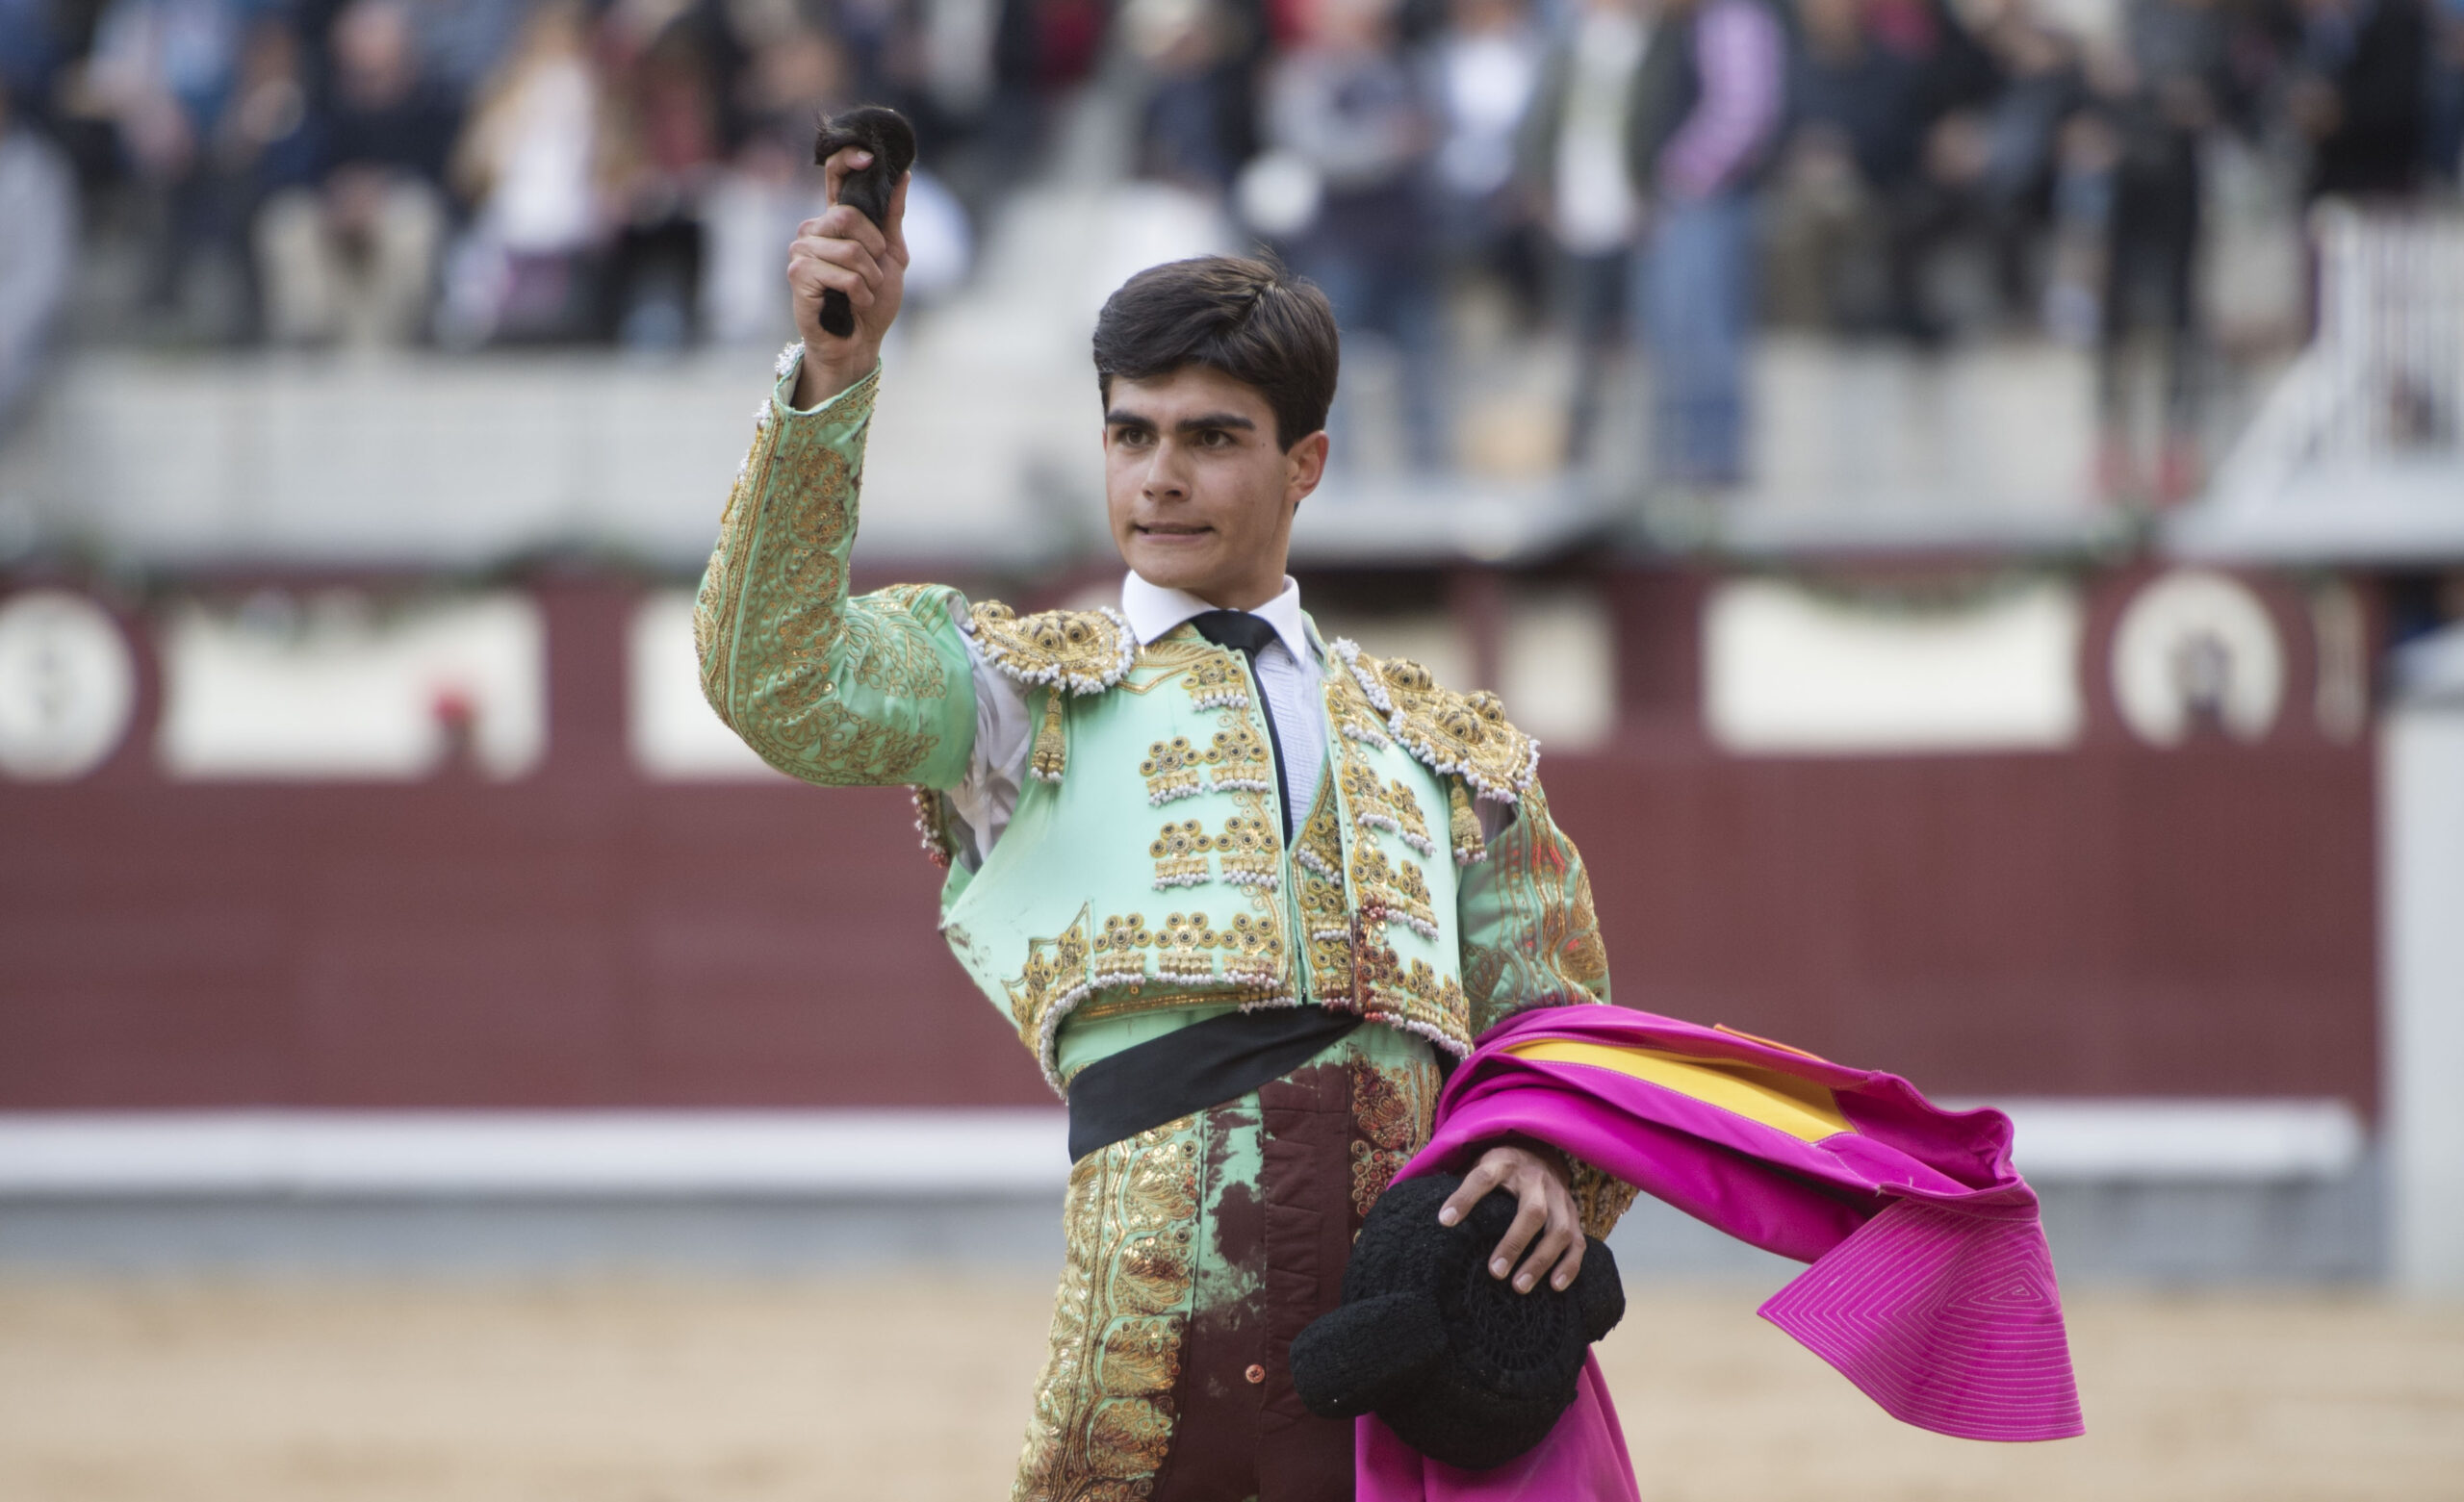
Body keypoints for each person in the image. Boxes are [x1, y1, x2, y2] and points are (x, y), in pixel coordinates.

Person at [693, 144, 1637, 1498]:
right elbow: (773, 679)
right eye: (1132, 434)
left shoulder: (1445, 749)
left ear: (1304, 461)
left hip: (1418, 1336)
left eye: (1211, 438)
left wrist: (1541, 1154)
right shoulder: (1028, 699)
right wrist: (832, 388)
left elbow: (1555, 1020)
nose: (1161, 478)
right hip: (1155, 1327)